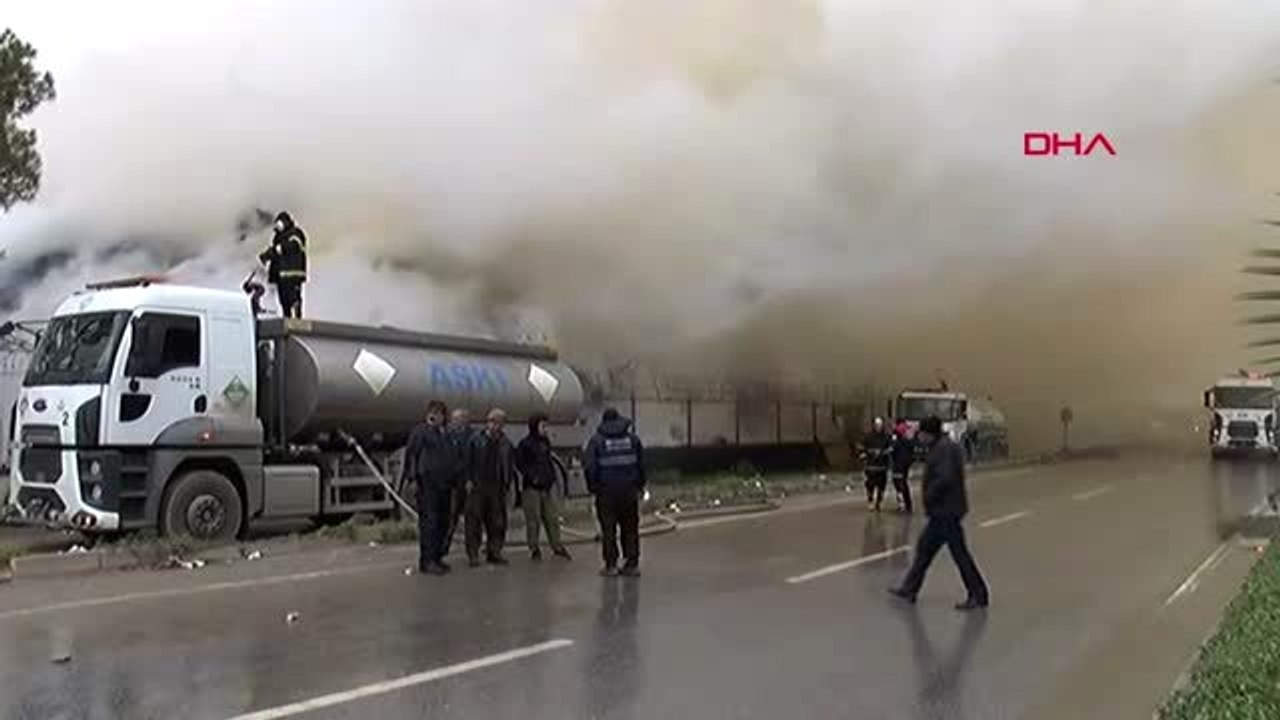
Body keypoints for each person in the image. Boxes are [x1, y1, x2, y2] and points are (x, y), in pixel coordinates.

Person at [890, 415, 990, 611]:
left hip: (946, 511)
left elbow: (945, 477)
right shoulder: (942, 446)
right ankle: (910, 589)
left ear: (928, 434)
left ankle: (978, 594)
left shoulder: (944, 449)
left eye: (921, 433)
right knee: (925, 550)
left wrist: (930, 493)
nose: (919, 437)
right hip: (943, 511)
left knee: (958, 554)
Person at [583, 407, 646, 577]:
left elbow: (590, 468)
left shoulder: (596, 441)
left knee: (608, 530)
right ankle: (632, 564)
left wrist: (594, 488)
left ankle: (611, 565)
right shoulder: (633, 440)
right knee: (630, 528)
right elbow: (641, 465)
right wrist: (640, 486)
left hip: (606, 493)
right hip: (629, 492)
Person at [403, 400, 453, 576]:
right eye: (433, 412)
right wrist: (413, 479)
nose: (436, 416)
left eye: (439, 413)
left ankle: (438, 557)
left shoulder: (445, 434)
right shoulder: (421, 432)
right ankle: (427, 560)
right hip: (427, 484)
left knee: (442, 522)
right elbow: (412, 456)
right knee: (429, 523)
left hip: (444, 484)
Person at [516, 413, 572, 561]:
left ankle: (557, 546)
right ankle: (534, 548)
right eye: (543, 426)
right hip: (531, 488)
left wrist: (551, 478)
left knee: (552, 517)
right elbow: (521, 464)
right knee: (533, 519)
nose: (546, 429)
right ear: (535, 426)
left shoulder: (545, 442)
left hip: (546, 487)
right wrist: (532, 478)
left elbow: (548, 461)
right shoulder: (525, 444)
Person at [466, 408, 514, 567]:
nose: (496, 426)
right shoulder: (475, 440)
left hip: (497, 486)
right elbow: (467, 461)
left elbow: (509, 463)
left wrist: (507, 483)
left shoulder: (505, 443)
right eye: (493, 422)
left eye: (499, 423)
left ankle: (494, 552)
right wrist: (468, 480)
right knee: (474, 522)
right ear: (488, 423)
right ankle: (473, 554)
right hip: (478, 485)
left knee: (497, 522)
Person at [258, 211, 308, 319]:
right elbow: (276, 252)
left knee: (294, 297)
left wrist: (276, 250)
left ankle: (297, 316)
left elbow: (294, 245)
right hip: (281, 276)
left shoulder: (296, 233)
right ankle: (287, 318)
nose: (278, 225)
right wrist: (267, 256)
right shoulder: (278, 238)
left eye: (280, 222)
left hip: (293, 274)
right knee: (284, 301)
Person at [444, 408, 475, 553]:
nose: (456, 421)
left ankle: (472, 551)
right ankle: (444, 548)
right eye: (454, 419)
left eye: (459, 418)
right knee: (450, 518)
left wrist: (471, 479)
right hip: (453, 483)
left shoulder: (473, 436)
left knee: (471, 519)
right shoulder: (448, 436)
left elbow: (475, 460)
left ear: (466, 420)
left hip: (467, 482)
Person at [860, 417, 893, 512]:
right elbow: (862, 448)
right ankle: (870, 501)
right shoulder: (868, 437)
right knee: (870, 485)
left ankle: (879, 502)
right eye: (877, 425)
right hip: (871, 466)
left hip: (882, 466)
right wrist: (865, 454)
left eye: (880, 425)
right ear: (874, 426)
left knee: (881, 485)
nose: (878, 427)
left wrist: (884, 452)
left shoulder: (886, 437)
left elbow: (890, 448)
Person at [890, 419, 916, 514]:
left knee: (899, 484)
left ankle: (903, 505)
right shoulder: (909, 436)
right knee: (903, 484)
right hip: (905, 464)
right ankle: (907, 505)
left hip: (899, 464)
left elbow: (893, 448)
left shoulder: (897, 435)